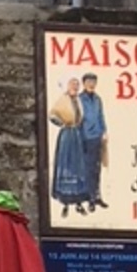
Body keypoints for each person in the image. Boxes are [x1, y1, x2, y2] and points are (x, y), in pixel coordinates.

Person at [49, 76, 88, 216]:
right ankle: (65, 202)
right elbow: (52, 114)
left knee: (78, 167)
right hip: (67, 135)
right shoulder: (63, 99)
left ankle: (78, 202)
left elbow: (81, 116)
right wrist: (62, 123)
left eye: (77, 85)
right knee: (66, 165)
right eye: (73, 84)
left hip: (76, 134)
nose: (75, 87)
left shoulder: (78, 100)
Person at [79, 72, 108, 211]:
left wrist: (104, 131)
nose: (91, 84)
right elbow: (77, 119)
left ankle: (97, 196)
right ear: (84, 83)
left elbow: (100, 116)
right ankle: (89, 198)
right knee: (88, 169)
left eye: (93, 82)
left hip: (97, 137)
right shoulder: (80, 99)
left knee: (97, 169)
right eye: (89, 82)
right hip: (85, 137)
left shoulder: (97, 99)